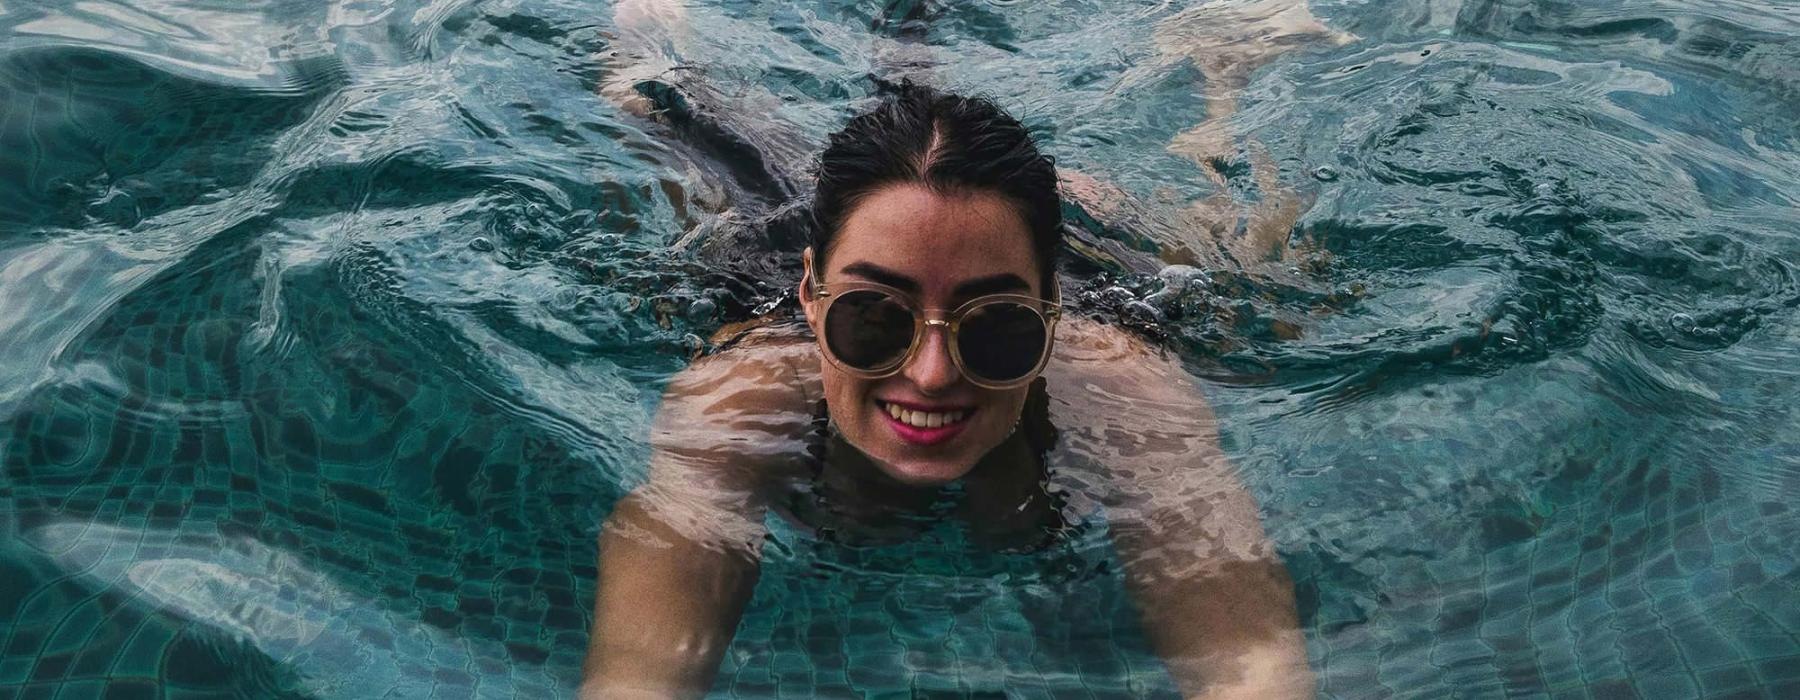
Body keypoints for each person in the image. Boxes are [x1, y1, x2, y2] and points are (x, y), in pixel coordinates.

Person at [581, 83, 1314, 699]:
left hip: (1099, 270)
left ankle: (1223, 81)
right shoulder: (739, 395)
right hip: (762, 249)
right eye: (873, 317)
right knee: (678, 128)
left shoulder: (1128, 388)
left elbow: (1251, 668)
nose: (932, 374)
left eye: (997, 323)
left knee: (1249, 289)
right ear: (810, 294)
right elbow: (639, 680)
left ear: (1050, 308)